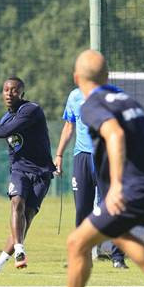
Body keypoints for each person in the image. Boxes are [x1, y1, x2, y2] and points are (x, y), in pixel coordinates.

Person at [34, 50, 144, 287]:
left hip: (135, 187)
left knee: (77, 242)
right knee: (115, 232)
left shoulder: (91, 104)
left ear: (77, 78)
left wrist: (115, 184)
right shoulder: (126, 99)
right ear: (107, 76)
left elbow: (114, 134)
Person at [0, 77, 55, 273]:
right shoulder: (5, 119)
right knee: (17, 202)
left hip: (42, 173)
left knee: (26, 217)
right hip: (20, 170)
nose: (9, 94)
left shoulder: (31, 110)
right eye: (6, 90)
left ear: (22, 94)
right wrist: (14, 171)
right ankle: (19, 251)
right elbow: (11, 145)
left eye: (14, 90)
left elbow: (6, 131)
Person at [54, 88, 128, 269]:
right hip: (82, 158)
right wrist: (59, 155)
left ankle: (118, 257)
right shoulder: (74, 95)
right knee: (82, 209)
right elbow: (69, 126)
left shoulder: (113, 94)